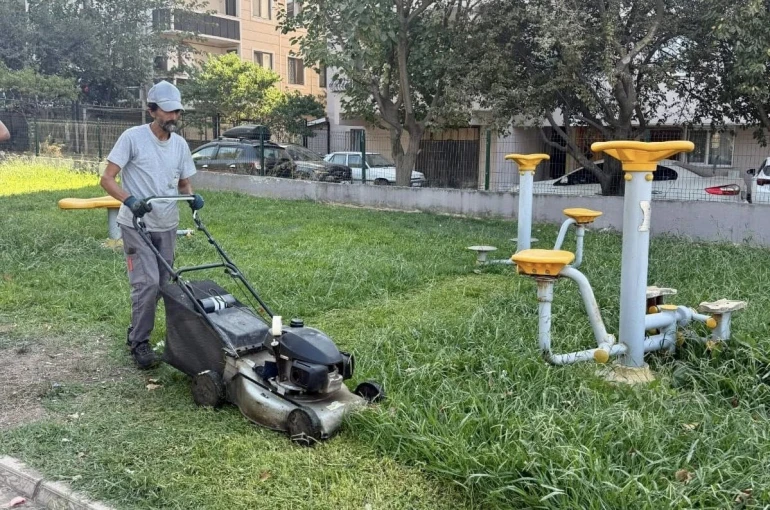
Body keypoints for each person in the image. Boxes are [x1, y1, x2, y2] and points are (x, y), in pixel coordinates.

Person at [100, 80, 204, 369]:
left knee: (163, 286)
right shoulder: (132, 138)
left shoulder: (181, 145)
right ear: (152, 110)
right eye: (168, 112)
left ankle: (147, 332)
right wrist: (130, 200)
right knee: (147, 285)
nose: (173, 118)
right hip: (136, 225)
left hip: (167, 224)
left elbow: (184, 182)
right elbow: (107, 178)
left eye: (177, 113)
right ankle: (139, 342)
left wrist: (192, 199)